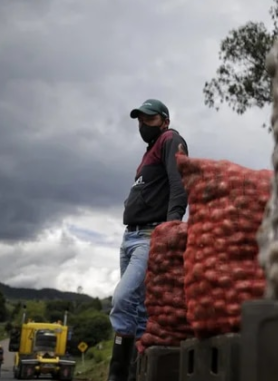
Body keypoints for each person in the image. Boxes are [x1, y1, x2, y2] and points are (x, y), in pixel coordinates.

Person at [107, 98, 189, 381]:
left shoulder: (170, 139)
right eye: (140, 120)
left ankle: (116, 375)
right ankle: (137, 373)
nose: (144, 124)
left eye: (150, 119)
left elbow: (179, 183)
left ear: (164, 120)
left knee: (122, 299)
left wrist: (173, 224)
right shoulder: (148, 152)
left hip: (149, 236)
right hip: (129, 237)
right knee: (140, 312)